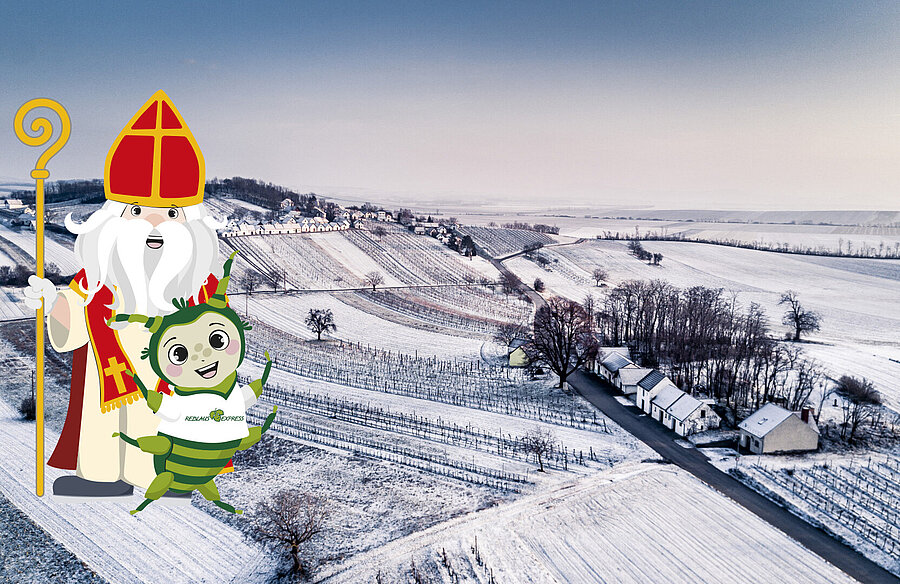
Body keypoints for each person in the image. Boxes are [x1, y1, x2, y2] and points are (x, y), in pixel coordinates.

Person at [23, 91, 225, 497]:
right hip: (106, 368)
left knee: (160, 424)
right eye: (136, 211)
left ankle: (160, 479)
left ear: (191, 223)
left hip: (171, 369)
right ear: (112, 218)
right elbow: (71, 323)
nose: (152, 223)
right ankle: (99, 477)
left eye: (170, 213)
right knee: (101, 423)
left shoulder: (196, 283)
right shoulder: (97, 279)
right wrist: (51, 304)